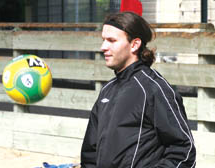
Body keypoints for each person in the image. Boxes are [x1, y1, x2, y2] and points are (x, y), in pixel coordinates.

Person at [81, 12, 196, 168]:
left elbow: (183, 151)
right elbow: (90, 152)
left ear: (134, 44)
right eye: (103, 40)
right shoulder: (107, 90)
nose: (103, 47)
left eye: (111, 40)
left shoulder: (155, 89)